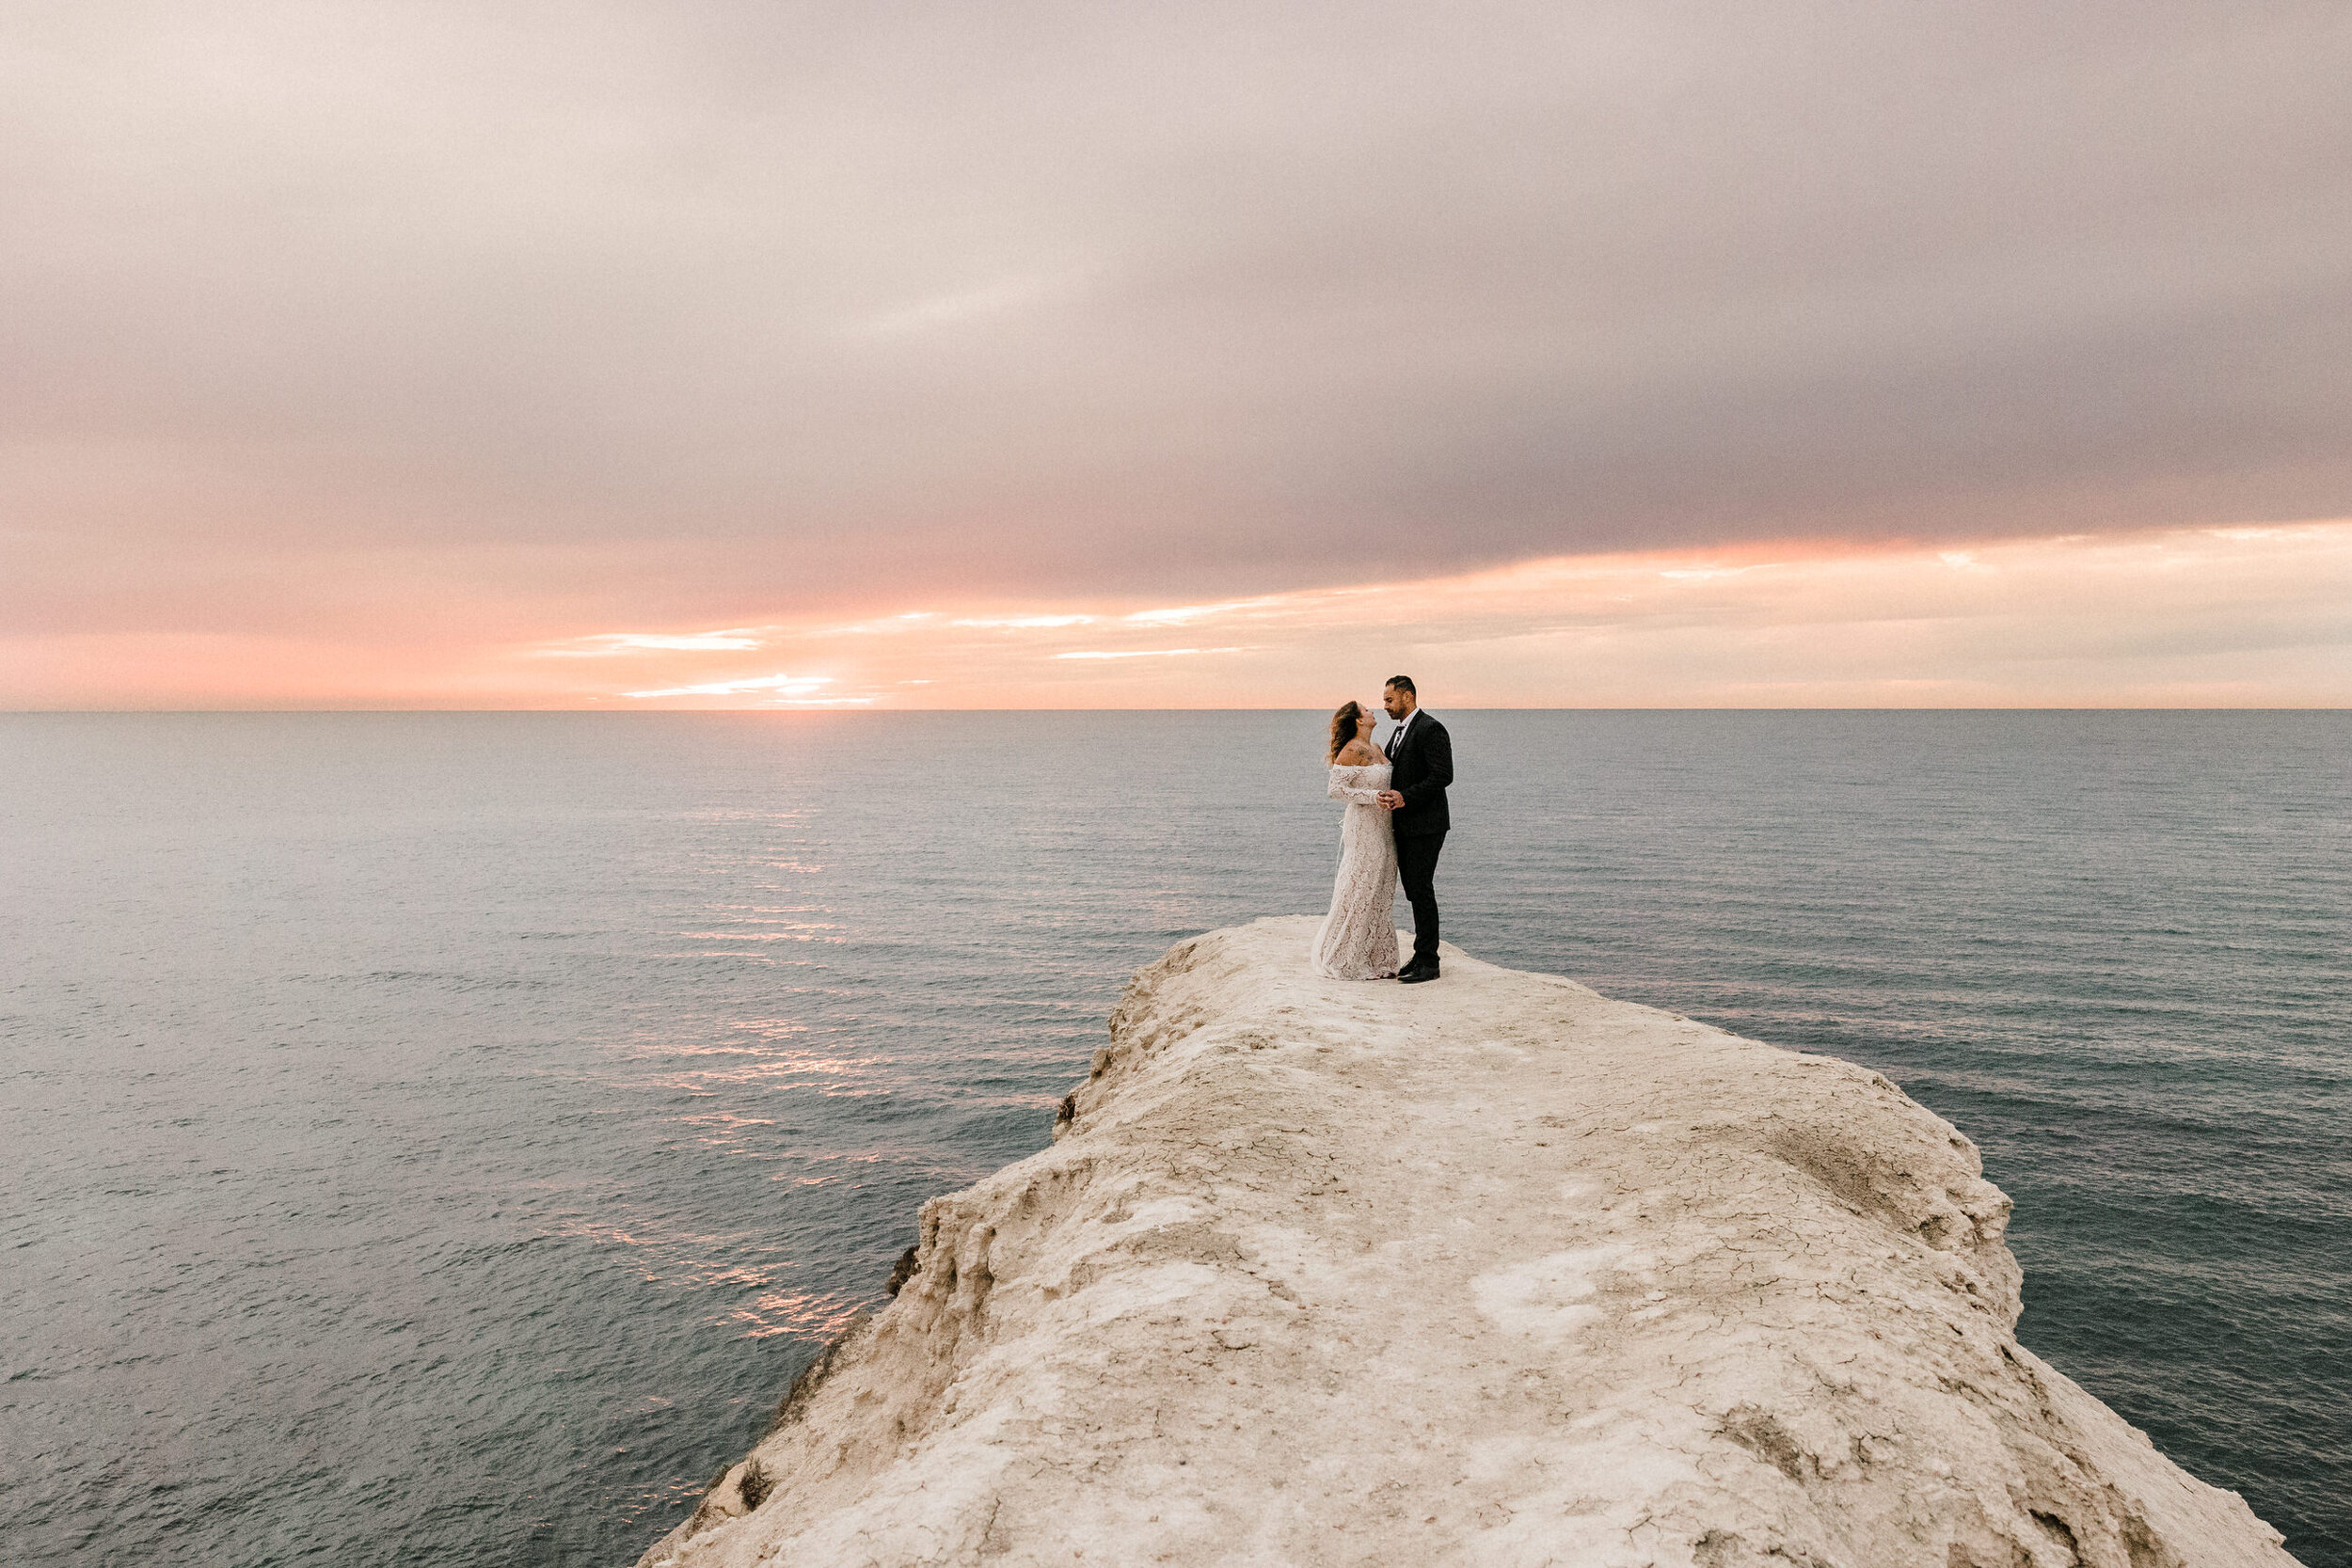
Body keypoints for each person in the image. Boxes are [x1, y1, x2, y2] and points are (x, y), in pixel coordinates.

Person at [1309, 699, 1401, 980]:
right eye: (1366, 710)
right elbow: (1335, 790)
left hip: (1385, 826)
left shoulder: (1376, 748)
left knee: (1381, 887)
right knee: (1361, 886)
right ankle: (1345, 958)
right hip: (1364, 827)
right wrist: (1373, 797)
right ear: (1358, 720)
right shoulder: (1351, 749)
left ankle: (1377, 959)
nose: (1373, 711)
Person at [1375, 675, 1452, 982]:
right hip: (1407, 825)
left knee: (1421, 890)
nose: (1385, 706)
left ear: (1407, 696)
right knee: (1414, 890)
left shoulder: (1430, 728)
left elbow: (1443, 776)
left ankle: (1429, 962)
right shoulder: (1401, 731)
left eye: (1389, 700)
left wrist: (1406, 797)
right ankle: (1421, 955)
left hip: (1426, 825)